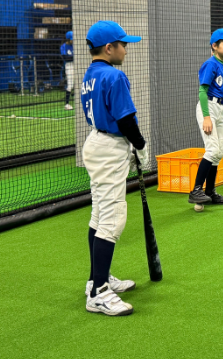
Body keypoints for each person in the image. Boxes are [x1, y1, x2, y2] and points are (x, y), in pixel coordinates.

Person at [81, 21, 145, 315]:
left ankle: (98, 278)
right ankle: (98, 293)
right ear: (109, 48)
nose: (126, 50)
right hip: (109, 148)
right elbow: (126, 121)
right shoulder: (114, 76)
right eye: (123, 45)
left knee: (98, 214)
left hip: (95, 142)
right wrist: (141, 146)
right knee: (113, 218)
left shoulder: (90, 74)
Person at [189, 28, 223, 211]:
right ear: (214, 46)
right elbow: (202, 91)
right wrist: (207, 117)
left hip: (221, 108)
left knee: (219, 153)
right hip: (208, 107)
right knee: (211, 150)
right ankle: (196, 190)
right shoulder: (210, 64)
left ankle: (210, 192)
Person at [60, 31, 74, 110]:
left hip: (76, 65)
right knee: (70, 85)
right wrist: (74, 57)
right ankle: (67, 104)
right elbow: (65, 58)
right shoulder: (63, 47)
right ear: (68, 39)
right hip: (69, 66)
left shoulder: (74, 45)